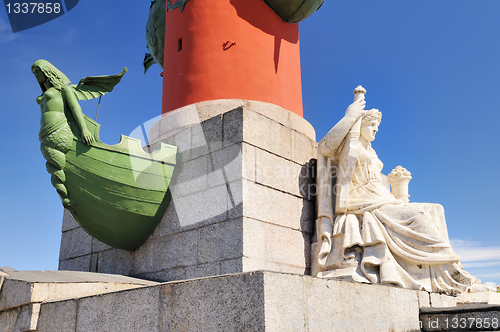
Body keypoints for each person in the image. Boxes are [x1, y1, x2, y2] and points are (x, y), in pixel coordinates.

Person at [311, 94, 485, 295]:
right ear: (360, 124)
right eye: (372, 124)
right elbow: (324, 147)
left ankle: (450, 272)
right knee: (418, 214)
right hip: (363, 202)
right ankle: (449, 278)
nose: (376, 128)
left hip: (382, 198)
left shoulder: (372, 152)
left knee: (436, 209)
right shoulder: (348, 146)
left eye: (377, 125)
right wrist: (351, 116)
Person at [32, 59, 95, 208]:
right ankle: (65, 198)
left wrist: (84, 129)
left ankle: (67, 196)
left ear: (47, 71)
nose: (36, 75)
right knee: (53, 167)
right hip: (45, 136)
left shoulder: (64, 90)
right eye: (34, 73)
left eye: (38, 72)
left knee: (58, 166)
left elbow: (75, 108)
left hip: (60, 131)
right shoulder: (44, 94)